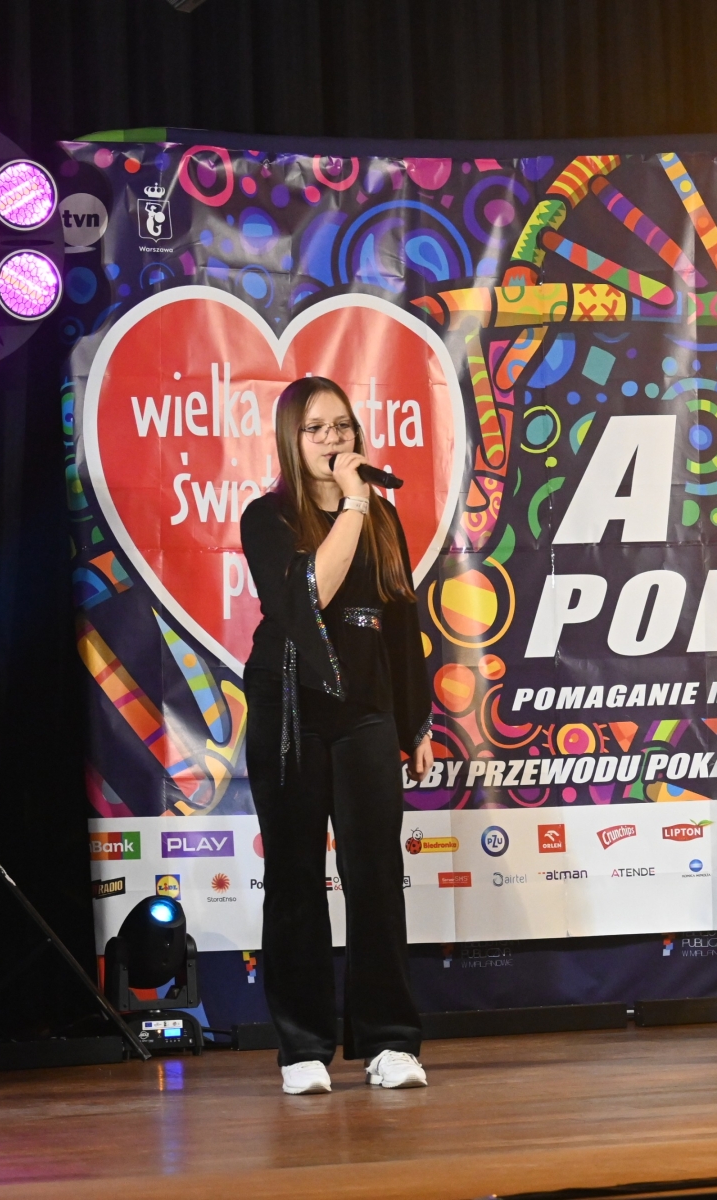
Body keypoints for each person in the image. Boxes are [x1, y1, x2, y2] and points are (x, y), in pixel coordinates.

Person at [240, 376, 435, 1094]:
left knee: (375, 875)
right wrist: (353, 503)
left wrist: (414, 721)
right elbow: (308, 596)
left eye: (343, 426)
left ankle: (390, 1042)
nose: (333, 439)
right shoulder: (267, 517)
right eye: (316, 428)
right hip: (289, 707)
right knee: (295, 876)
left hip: (365, 707)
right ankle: (302, 1049)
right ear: (291, 440)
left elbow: (401, 619)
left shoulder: (381, 518)